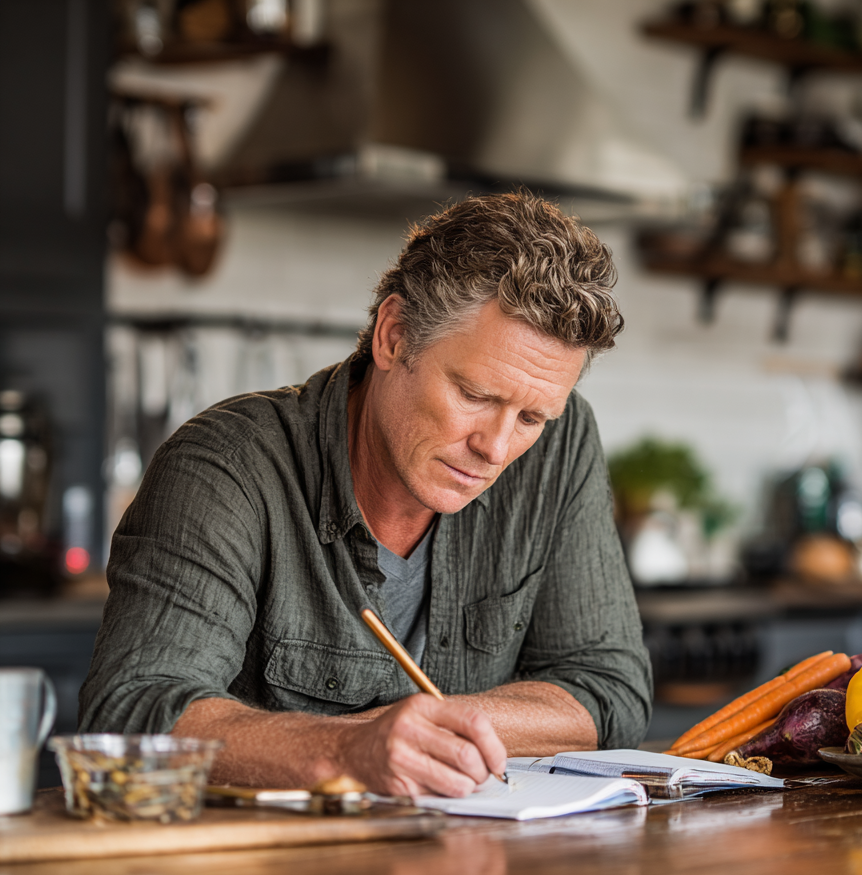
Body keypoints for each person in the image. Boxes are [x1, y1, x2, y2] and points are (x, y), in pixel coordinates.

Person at [79, 192, 652, 797]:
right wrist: (347, 751)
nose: (495, 447)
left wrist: (424, 732)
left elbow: (609, 688)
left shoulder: (561, 443)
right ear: (394, 336)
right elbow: (132, 715)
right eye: (475, 396)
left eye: (531, 418)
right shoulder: (226, 466)